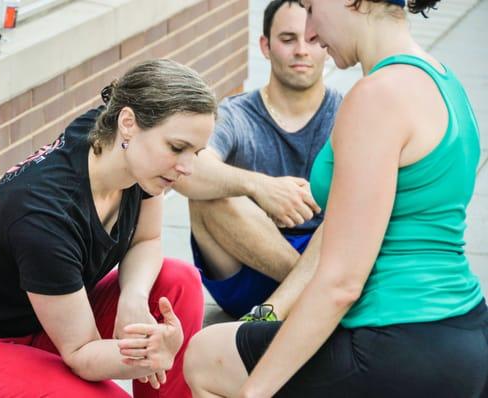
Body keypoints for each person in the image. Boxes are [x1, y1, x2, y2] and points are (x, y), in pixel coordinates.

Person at [183, 0, 488, 396]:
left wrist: (253, 392)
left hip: (393, 341)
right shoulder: (446, 83)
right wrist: (264, 319)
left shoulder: (376, 96)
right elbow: (354, 232)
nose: (312, 30)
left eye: (311, 8)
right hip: (465, 332)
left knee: (205, 356)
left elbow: (341, 282)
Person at [0, 59, 217, 398]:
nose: (187, 167)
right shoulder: (44, 215)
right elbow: (82, 353)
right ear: (129, 123)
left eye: (196, 152)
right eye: (176, 147)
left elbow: (147, 239)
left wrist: (134, 298)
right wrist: (148, 356)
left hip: (44, 322)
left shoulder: (121, 150)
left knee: (177, 283)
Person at [173, 0, 342, 321]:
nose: (301, 51)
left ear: (326, 45)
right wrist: (259, 186)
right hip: (249, 262)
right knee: (207, 198)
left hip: (323, 255)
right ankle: (316, 298)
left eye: (311, 39)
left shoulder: (346, 113)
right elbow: (186, 169)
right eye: (288, 39)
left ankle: (304, 297)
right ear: (265, 46)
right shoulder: (235, 114)